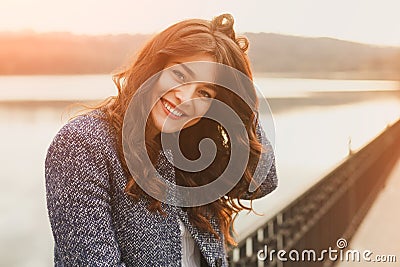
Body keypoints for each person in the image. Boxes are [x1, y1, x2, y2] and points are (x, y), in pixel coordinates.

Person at [45, 13, 278, 267]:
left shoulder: (187, 147)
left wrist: (242, 99)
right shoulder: (83, 144)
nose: (185, 98)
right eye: (180, 76)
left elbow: (262, 182)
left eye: (203, 92)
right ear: (154, 67)